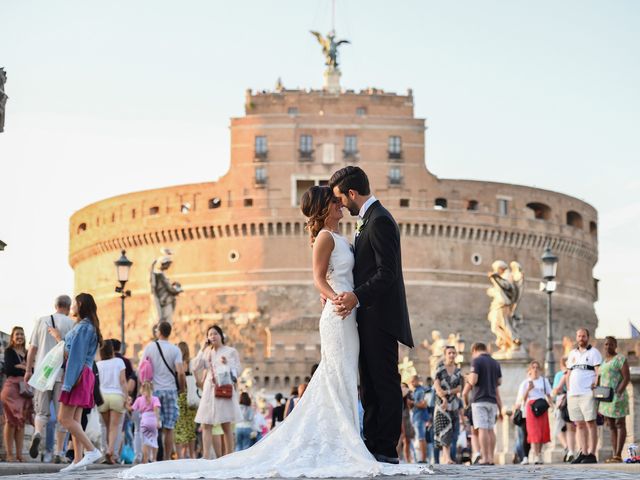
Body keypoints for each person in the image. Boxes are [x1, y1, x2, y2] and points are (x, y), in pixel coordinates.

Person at [123, 182, 428, 479]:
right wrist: (334, 297)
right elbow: (318, 278)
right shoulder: (324, 237)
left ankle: (347, 441)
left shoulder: (342, 236)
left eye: (339, 199)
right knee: (336, 377)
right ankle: (344, 444)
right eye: (334, 201)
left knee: (345, 377)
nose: (340, 204)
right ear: (325, 207)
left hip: (349, 315)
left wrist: (345, 296)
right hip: (338, 315)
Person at [331, 166, 414, 464]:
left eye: (340, 198)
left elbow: (387, 274)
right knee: (370, 384)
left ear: (352, 193)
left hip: (381, 317)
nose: (340, 204)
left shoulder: (379, 221)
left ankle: (386, 449)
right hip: (367, 316)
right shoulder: (367, 220)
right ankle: (373, 444)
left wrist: (356, 296)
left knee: (384, 382)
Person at [50, 293, 104, 471]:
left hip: (78, 374)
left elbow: (74, 356)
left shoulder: (83, 328)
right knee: (75, 420)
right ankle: (78, 461)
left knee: (64, 418)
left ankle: (92, 450)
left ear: (80, 304)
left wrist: (59, 338)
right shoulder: (89, 326)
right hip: (85, 373)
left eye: (75, 303)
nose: (72, 306)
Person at [23, 295, 75, 463]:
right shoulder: (71, 324)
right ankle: (59, 453)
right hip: (62, 374)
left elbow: (32, 349)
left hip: (43, 372)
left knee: (41, 412)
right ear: (68, 307)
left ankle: (37, 432)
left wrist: (29, 370)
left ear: (55, 305)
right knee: (62, 415)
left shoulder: (42, 321)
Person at [192, 325, 242, 458]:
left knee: (226, 424)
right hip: (209, 390)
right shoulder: (207, 352)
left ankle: (229, 455)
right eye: (210, 334)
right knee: (206, 423)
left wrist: (227, 364)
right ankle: (206, 455)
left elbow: (238, 371)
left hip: (224, 390)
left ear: (221, 335)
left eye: (215, 333)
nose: (212, 336)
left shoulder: (231, 351)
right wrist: (202, 349)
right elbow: (195, 366)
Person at [141, 321, 186, 460]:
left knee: (154, 426)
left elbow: (142, 369)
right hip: (171, 390)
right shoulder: (175, 349)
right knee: (169, 427)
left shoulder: (149, 347)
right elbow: (180, 372)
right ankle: (166, 458)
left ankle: (154, 458)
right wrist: (182, 389)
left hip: (154, 391)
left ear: (158, 332)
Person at [462, 342, 502, 466]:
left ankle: (484, 457)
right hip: (492, 400)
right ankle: (491, 457)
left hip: (479, 399)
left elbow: (473, 380)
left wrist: (467, 377)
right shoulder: (495, 362)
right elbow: (499, 382)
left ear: (474, 350)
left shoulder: (476, 361)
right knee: (490, 429)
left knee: (482, 429)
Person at [566, 328, 601, 464]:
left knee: (590, 422)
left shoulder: (594, 353)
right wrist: (568, 387)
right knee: (579, 424)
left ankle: (592, 453)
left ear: (588, 337)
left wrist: (595, 383)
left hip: (587, 392)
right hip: (573, 394)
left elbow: (598, 371)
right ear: (576, 337)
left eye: (584, 336)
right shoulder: (572, 354)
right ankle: (583, 451)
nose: (581, 338)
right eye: (579, 336)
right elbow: (568, 372)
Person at [1, 326, 33, 462]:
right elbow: (9, 369)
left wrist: (22, 367)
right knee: (10, 421)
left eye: (22, 334)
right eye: (17, 334)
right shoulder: (9, 351)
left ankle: (19, 454)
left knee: (21, 423)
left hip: (24, 390)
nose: (20, 336)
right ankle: (9, 454)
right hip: (12, 390)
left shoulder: (27, 353)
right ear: (12, 337)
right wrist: (25, 368)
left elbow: (33, 369)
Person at [598, 336, 630, 463]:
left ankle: (618, 454)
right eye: (606, 344)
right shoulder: (604, 362)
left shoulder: (620, 359)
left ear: (615, 346)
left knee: (620, 424)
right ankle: (614, 454)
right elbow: (601, 378)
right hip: (606, 398)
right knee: (611, 425)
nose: (608, 346)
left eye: (610, 344)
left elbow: (626, 378)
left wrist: (618, 392)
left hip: (618, 397)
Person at [514, 361, 553, 464]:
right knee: (534, 433)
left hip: (542, 408)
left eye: (537, 367)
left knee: (541, 433)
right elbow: (523, 399)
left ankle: (539, 454)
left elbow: (548, 395)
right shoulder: (525, 383)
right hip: (531, 408)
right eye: (533, 367)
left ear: (539, 370)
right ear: (530, 370)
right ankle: (535, 455)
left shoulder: (544, 381)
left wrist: (553, 406)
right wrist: (528, 389)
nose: (535, 369)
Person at [96, 339, 127, 464]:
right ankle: (111, 452)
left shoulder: (98, 364)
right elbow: (123, 381)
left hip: (102, 397)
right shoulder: (119, 361)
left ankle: (106, 452)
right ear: (112, 350)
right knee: (114, 428)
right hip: (116, 396)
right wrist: (126, 397)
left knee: (107, 427)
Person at [433, 346, 463, 464]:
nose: (451, 355)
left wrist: (448, 392)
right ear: (445, 354)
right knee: (446, 429)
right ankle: (447, 458)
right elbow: (437, 387)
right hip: (441, 405)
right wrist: (444, 398)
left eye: (453, 353)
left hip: (454, 405)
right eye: (449, 353)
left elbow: (459, 388)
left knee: (452, 431)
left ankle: (446, 457)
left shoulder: (458, 370)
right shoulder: (440, 369)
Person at [552, 357, 577, 462]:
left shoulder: (562, 374)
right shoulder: (564, 374)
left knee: (565, 427)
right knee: (572, 427)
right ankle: (571, 449)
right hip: (569, 401)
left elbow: (556, 390)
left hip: (566, 402)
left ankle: (569, 448)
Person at [175, 342, 197, 459]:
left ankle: (180, 455)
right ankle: (191, 453)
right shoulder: (191, 362)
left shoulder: (178, 364)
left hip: (181, 397)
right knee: (190, 427)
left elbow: (181, 375)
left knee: (179, 426)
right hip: (191, 397)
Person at [131, 381, 161, 463]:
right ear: (152, 389)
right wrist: (157, 421)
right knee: (154, 440)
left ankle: (146, 460)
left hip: (144, 421)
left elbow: (132, 409)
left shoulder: (139, 399)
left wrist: (126, 404)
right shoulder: (155, 399)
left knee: (145, 442)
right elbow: (156, 409)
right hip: (153, 421)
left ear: (141, 389)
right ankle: (154, 459)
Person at [409, 375, 428, 463]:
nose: (411, 383)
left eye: (412, 381)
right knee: (419, 438)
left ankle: (423, 459)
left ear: (416, 381)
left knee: (421, 438)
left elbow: (424, 404)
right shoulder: (415, 391)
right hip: (416, 416)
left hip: (420, 416)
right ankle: (421, 458)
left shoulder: (421, 391)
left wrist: (412, 402)